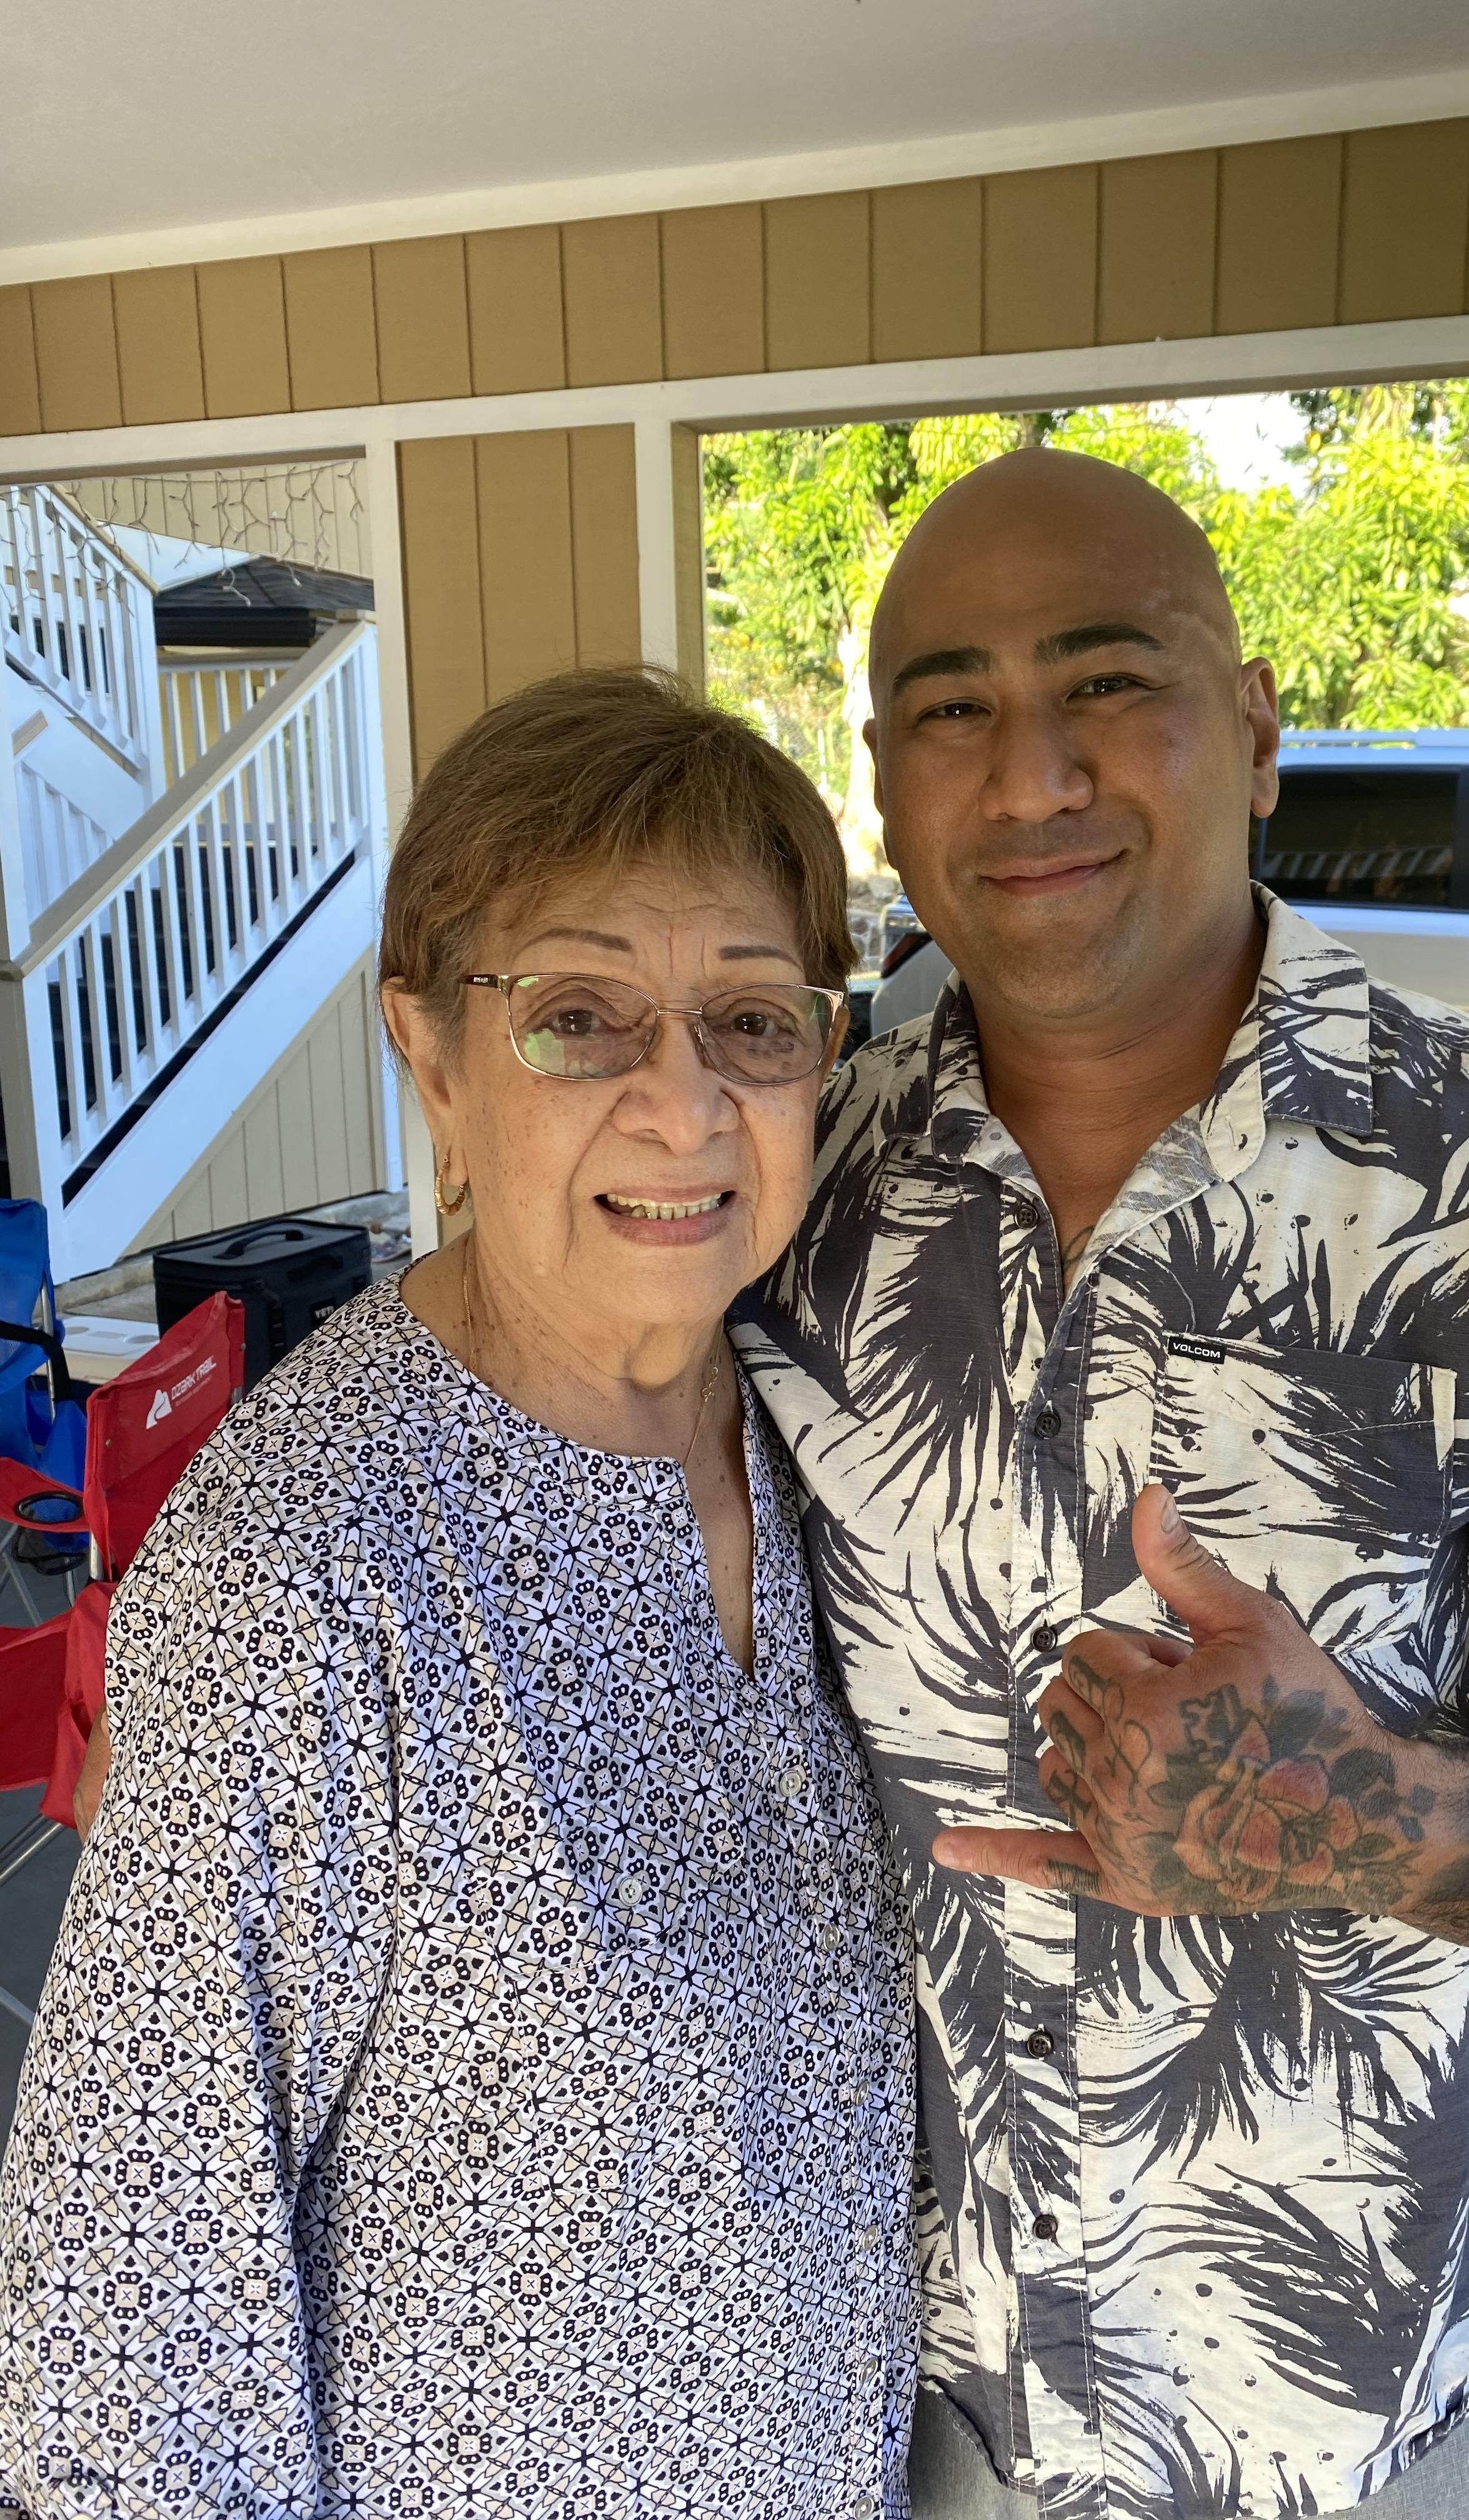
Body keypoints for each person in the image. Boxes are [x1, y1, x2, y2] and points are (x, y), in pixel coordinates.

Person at [732, 449, 1469, 2519]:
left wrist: (1389, 1815)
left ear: (1251, 736)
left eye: (1106, 680)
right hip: (896, 2387)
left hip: (1362, 2417)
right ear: (889, 787)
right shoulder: (786, 1190)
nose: (1031, 770)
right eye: (953, 705)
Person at [0, 671, 917, 2517]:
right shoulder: (310, 1569)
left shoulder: (816, 1435)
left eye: (753, 1020)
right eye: (579, 1019)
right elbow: (132, 2315)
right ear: (431, 1054)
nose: (685, 1104)